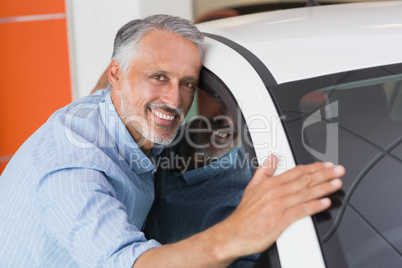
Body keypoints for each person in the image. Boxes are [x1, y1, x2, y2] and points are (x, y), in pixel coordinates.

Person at [0, 14, 344, 267]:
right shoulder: (72, 166)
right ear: (118, 74)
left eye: (189, 83)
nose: (174, 98)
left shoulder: (129, 117)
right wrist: (240, 231)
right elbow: (128, 264)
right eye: (158, 76)